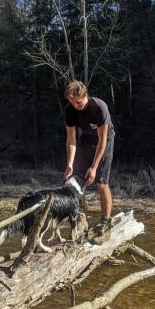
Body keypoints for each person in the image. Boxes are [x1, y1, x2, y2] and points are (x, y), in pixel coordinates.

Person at [63, 80, 114, 244]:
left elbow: (102, 141)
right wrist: (70, 163)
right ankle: (81, 218)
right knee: (77, 179)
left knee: (101, 183)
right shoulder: (69, 110)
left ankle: (106, 225)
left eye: (78, 102)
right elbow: (71, 140)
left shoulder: (99, 107)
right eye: (71, 102)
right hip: (85, 140)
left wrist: (94, 167)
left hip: (103, 142)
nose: (75, 105)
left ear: (85, 95)